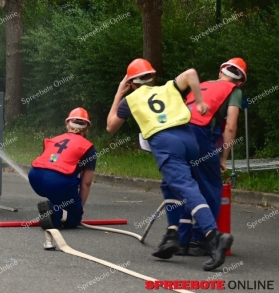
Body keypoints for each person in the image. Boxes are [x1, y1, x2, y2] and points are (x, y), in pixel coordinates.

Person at [106, 58, 233, 271]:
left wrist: (120, 92)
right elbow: (192, 72)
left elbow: (111, 127)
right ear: (152, 77)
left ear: (131, 82)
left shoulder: (131, 99)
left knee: (186, 187)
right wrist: (200, 101)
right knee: (169, 185)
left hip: (167, 144)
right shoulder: (168, 87)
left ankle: (214, 235)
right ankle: (172, 234)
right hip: (189, 139)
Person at [177, 57, 247, 256]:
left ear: (220, 73)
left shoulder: (203, 85)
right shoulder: (234, 91)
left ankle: (182, 239)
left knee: (188, 188)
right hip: (200, 137)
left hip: (179, 136)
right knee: (211, 187)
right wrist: (223, 158)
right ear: (240, 81)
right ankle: (199, 241)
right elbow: (231, 127)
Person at [29, 108, 97, 230]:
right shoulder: (88, 148)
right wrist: (79, 209)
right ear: (87, 129)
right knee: (74, 219)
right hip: (58, 182)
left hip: (35, 176)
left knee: (58, 194)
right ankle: (55, 213)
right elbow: (86, 183)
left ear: (67, 124)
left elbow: (52, 160)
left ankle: (54, 207)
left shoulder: (55, 139)